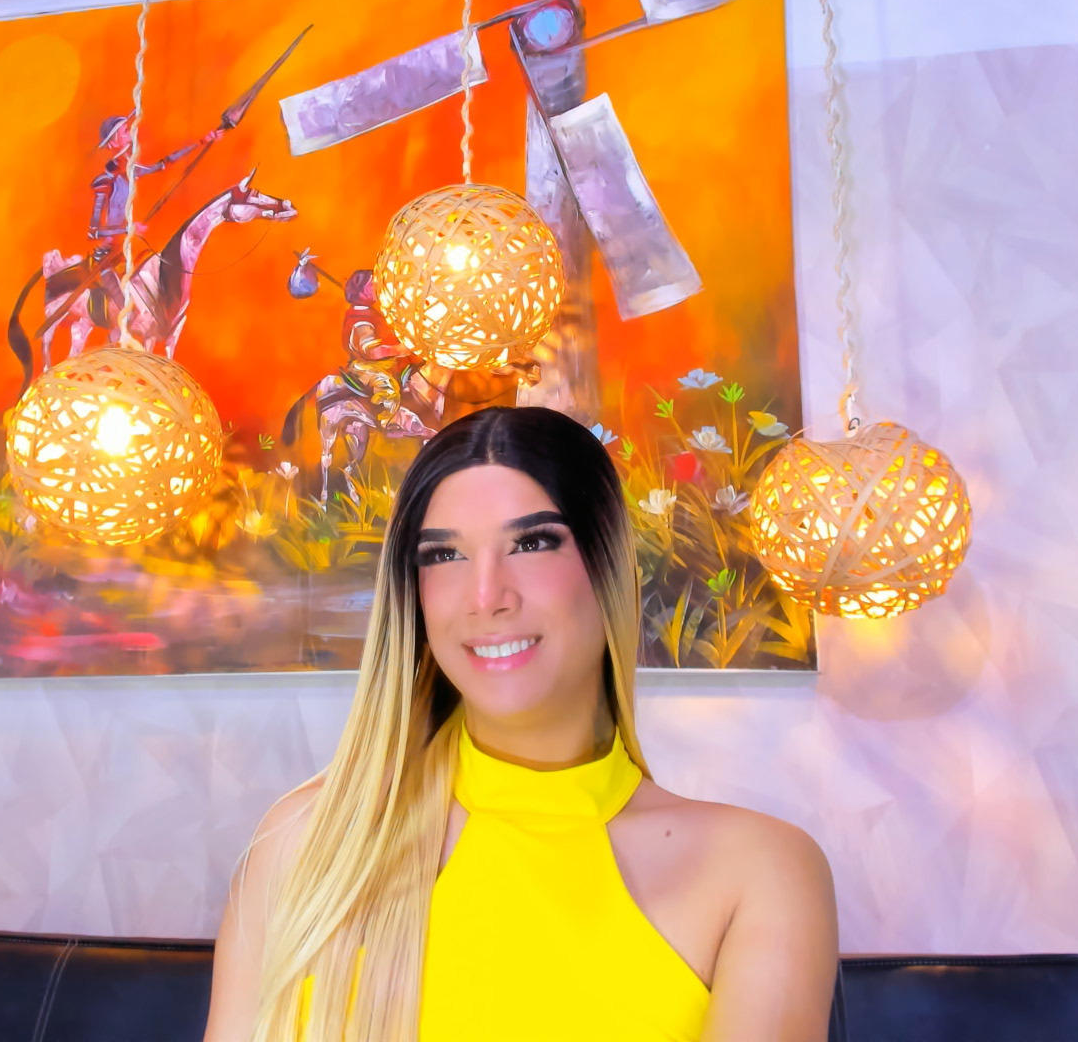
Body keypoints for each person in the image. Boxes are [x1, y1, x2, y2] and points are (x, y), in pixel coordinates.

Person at [204, 407, 838, 1041]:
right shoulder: (306, 845)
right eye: (444, 554)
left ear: (610, 567)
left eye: (532, 543)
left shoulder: (761, 872)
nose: (487, 597)